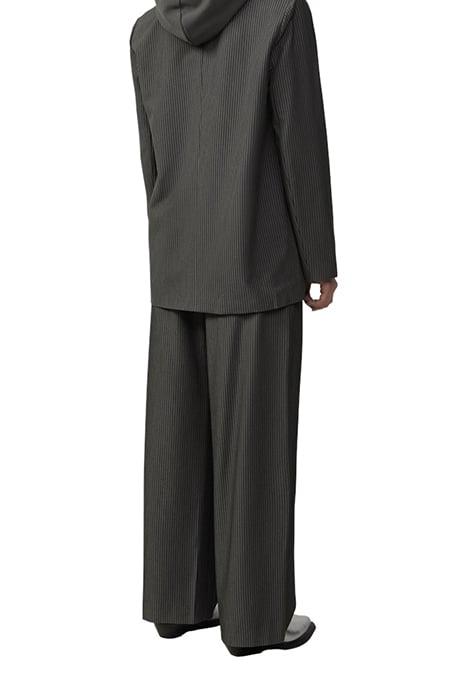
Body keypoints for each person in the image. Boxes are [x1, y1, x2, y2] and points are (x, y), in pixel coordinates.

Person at [130, 0, 338, 657]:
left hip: (176, 261)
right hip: (257, 262)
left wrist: (170, 245)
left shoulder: (146, 32)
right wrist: (320, 260)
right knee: (256, 447)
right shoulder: (281, 14)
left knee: (176, 442)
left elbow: (151, 159)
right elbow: (300, 143)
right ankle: (254, 621)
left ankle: (177, 604)